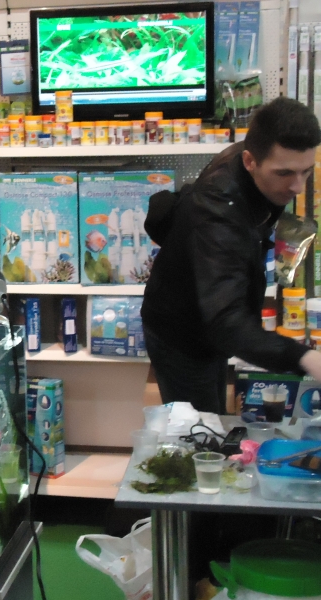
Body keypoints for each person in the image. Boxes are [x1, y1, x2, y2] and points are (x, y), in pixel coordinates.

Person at [142, 96, 321, 413]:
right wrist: (304, 357)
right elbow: (226, 323)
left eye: (306, 171)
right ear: (250, 162)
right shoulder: (219, 212)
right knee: (199, 428)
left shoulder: (257, 162)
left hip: (207, 317)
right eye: (284, 173)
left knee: (214, 414)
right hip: (180, 333)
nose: (297, 186)